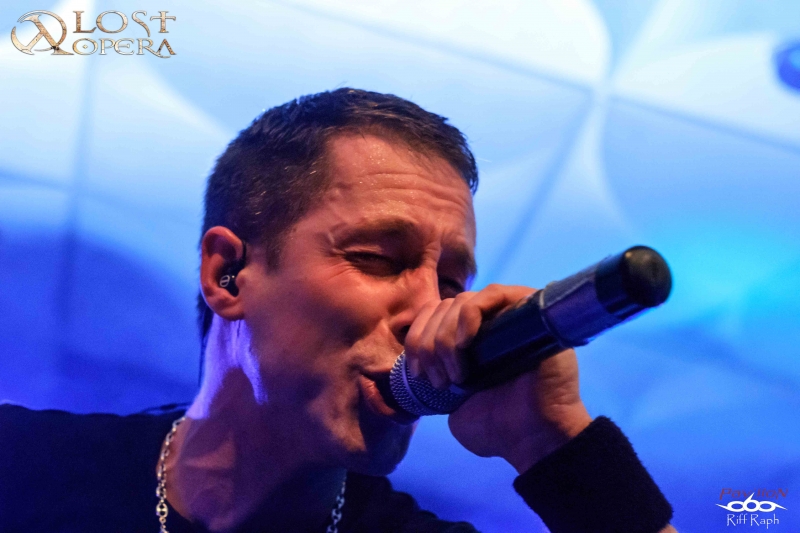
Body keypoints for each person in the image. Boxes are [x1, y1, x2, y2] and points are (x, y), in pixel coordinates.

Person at [0, 88, 677, 533]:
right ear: (227, 274)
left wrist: (554, 443)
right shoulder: (23, 463)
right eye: (378, 258)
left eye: (451, 282)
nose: (428, 310)